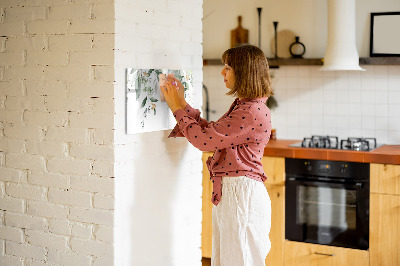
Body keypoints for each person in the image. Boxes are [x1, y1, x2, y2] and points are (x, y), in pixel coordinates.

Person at [161, 44, 273, 266]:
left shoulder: (250, 111)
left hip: (241, 195)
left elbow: (204, 141)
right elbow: (212, 133)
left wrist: (176, 108)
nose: (222, 72)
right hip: (236, 193)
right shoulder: (246, 106)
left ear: (244, 72)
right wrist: (182, 104)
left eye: (228, 67)